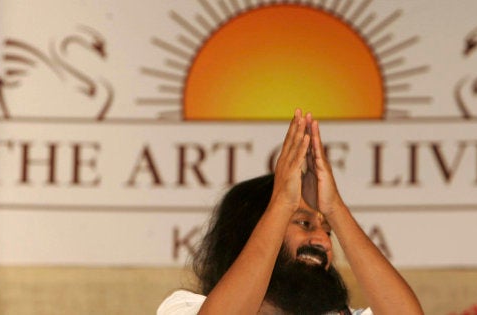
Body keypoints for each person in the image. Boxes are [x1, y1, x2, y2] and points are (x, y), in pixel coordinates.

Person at [158, 109, 423, 314]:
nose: (323, 241)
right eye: (304, 224)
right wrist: (283, 202)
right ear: (253, 230)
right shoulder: (185, 307)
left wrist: (335, 209)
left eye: (329, 231)